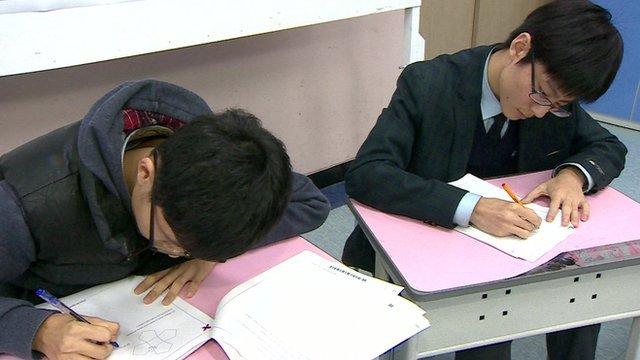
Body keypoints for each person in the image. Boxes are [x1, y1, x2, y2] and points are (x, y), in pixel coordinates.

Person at [342, 1, 626, 359]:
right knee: (489, 325)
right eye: (541, 95)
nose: (541, 112)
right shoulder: (429, 83)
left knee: (584, 287)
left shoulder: (554, 100)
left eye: (557, 105)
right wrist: (471, 208)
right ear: (521, 48)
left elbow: (607, 145)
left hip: (505, 250)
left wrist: (572, 175)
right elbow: (368, 173)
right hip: (421, 242)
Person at [0, 80, 331, 359]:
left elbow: (310, 201)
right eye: (171, 243)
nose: (175, 256)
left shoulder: (223, 159)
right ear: (147, 173)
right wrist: (38, 331)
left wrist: (206, 254)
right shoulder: (22, 205)